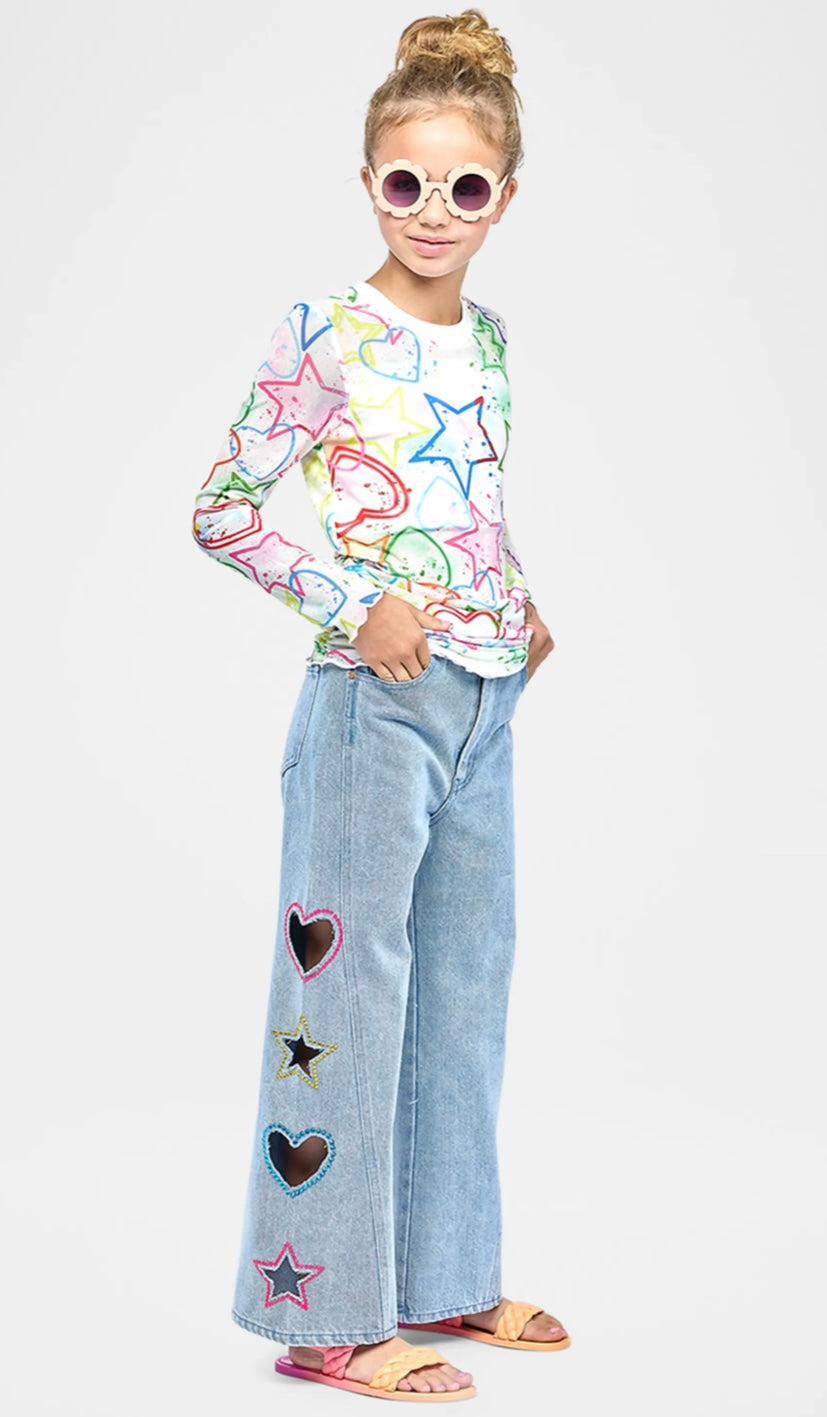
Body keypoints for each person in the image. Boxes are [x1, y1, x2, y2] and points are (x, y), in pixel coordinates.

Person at [192, 8, 568, 1402]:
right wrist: (356, 606)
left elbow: (460, 502)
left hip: (483, 702)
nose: (432, 211)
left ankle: (446, 1275)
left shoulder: (493, 341)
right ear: (368, 181)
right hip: (371, 707)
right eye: (406, 181)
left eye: (464, 186)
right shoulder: (328, 334)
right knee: (343, 998)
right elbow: (224, 509)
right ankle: (329, 1316)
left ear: (504, 197)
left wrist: (518, 602)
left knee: (464, 991)